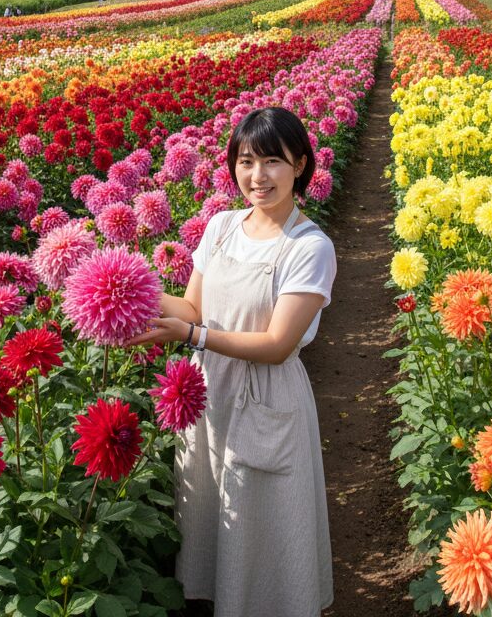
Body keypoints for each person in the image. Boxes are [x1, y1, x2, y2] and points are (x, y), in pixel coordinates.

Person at [129, 106, 335, 616]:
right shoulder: (221, 226)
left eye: (272, 161)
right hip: (208, 393)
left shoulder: (309, 247)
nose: (257, 176)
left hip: (266, 396)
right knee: (210, 516)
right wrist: (124, 290)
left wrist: (193, 335)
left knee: (265, 527)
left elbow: (276, 343)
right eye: (245, 161)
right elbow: (193, 307)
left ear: (301, 165)